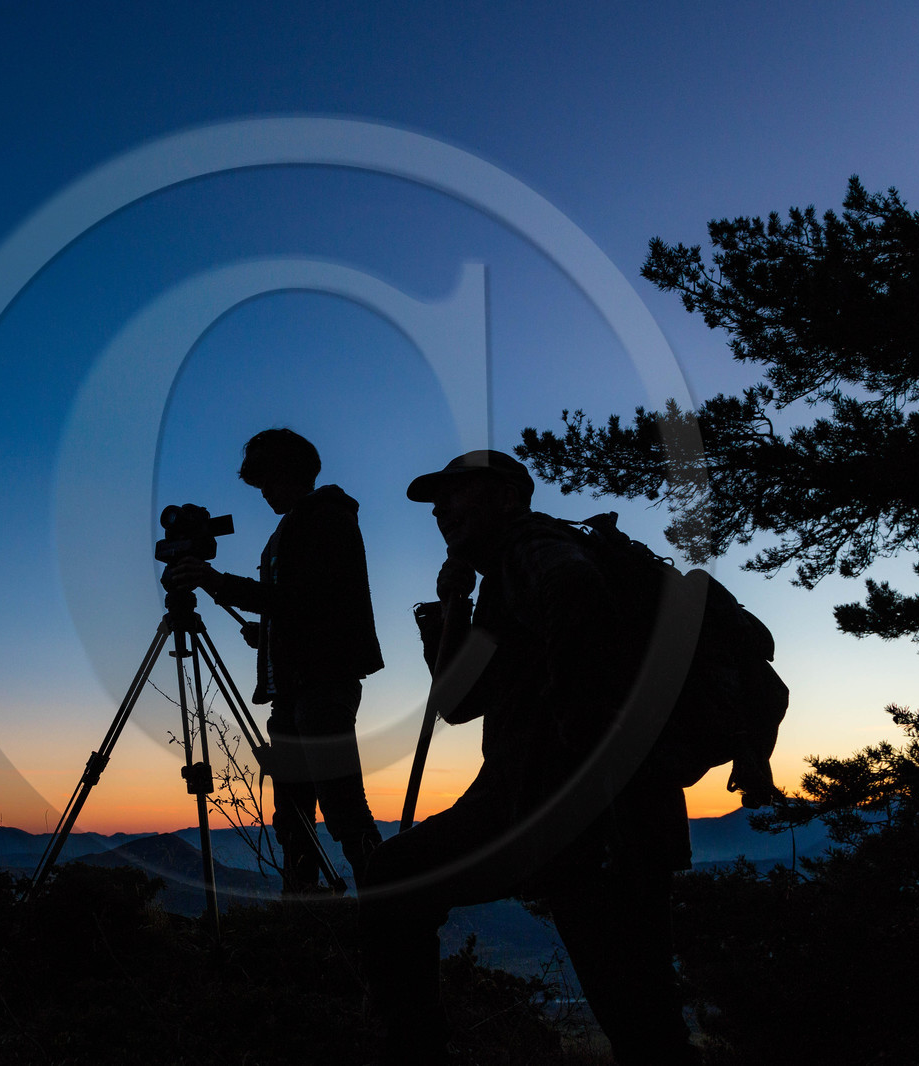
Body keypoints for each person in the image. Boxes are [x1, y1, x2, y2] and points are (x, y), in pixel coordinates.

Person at [359, 449, 698, 1066]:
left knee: (394, 879)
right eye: (436, 502)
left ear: (508, 498)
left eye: (455, 495)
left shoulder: (532, 545)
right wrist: (450, 609)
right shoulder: (504, 579)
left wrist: (578, 742)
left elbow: (574, 588)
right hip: (595, 809)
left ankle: (412, 1049)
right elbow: (462, 702)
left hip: (583, 811)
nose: (440, 511)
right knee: (643, 1013)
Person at [164, 428, 384, 892]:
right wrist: (264, 636)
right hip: (292, 689)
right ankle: (302, 912)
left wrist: (217, 582)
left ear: (290, 472)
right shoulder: (292, 526)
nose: (262, 491)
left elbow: (308, 600)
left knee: (343, 805)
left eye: (266, 479)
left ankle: (384, 905)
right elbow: (297, 609)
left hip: (322, 684)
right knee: (293, 815)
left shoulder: (326, 517)